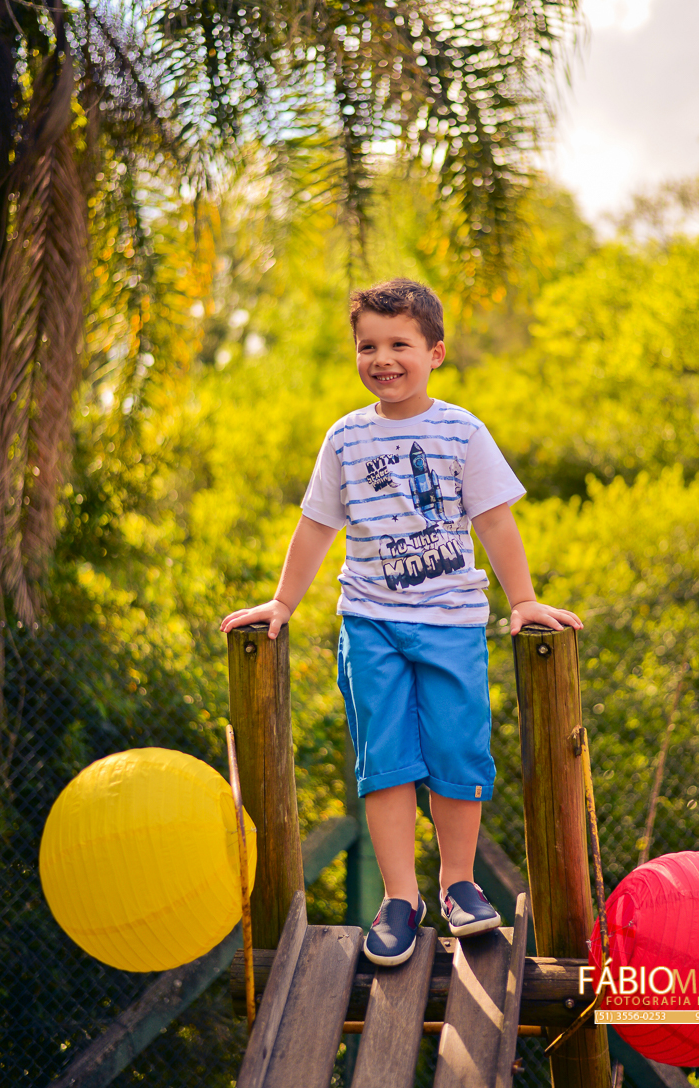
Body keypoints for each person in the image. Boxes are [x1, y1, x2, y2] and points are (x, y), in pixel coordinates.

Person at [220, 278, 582, 966]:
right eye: (368, 346)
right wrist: (283, 603)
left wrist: (523, 601)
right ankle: (397, 900)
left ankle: (459, 887)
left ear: (434, 352)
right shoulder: (346, 437)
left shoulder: (461, 430)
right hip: (371, 624)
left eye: (399, 345)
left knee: (456, 754)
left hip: (450, 624)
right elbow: (315, 526)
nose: (382, 358)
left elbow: (494, 520)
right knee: (383, 763)